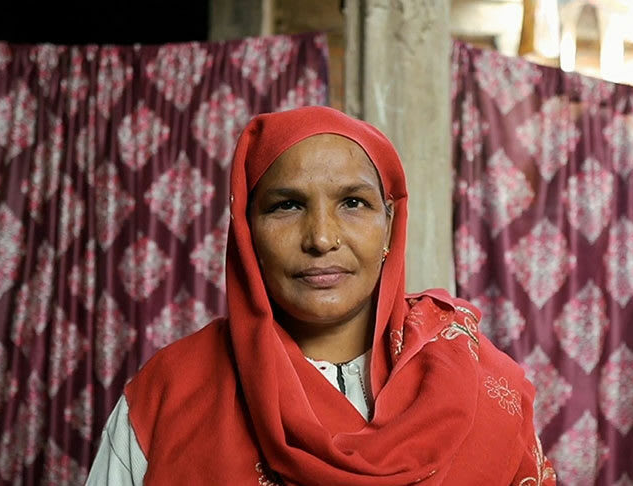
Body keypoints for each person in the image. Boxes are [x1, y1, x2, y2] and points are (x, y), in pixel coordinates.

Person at [86, 106, 556, 485]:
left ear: (390, 224)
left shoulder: (484, 386)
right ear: (246, 231)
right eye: (287, 205)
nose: (322, 238)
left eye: (353, 203)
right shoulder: (168, 396)